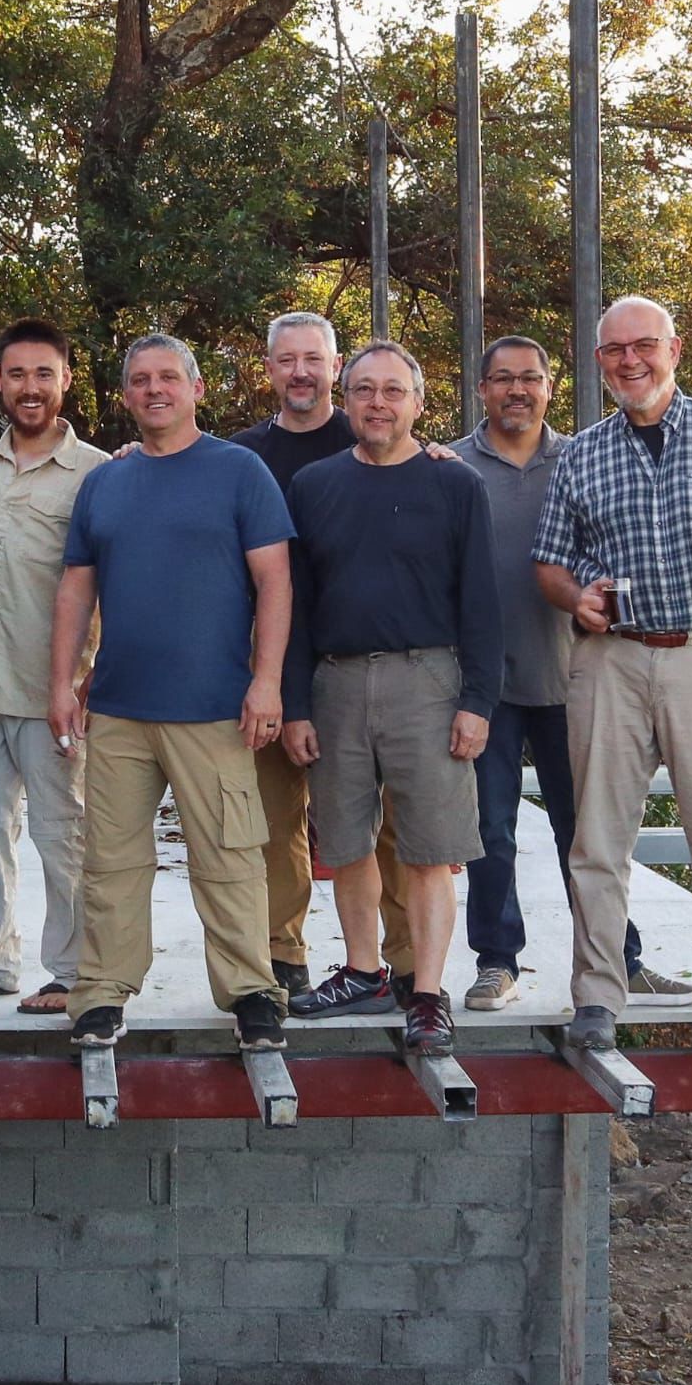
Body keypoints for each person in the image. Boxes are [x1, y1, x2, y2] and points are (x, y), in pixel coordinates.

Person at [532, 296, 692, 1052]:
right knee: (597, 842)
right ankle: (596, 997)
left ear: (673, 350)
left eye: (643, 345)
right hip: (610, 663)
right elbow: (548, 563)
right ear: (599, 363)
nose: (630, 361)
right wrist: (575, 597)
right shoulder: (581, 453)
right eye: (615, 350)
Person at [48, 334, 293, 1050]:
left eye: (168, 378)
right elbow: (75, 589)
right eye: (140, 380)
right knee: (111, 863)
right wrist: (60, 683)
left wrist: (267, 682)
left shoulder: (239, 471)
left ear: (195, 389)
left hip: (214, 709)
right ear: (126, 394)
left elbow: (275, 582)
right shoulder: (106, 482)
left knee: (229, 858)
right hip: (119, 709)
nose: (154, 389)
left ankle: (251, 991)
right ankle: (102, 992)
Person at [451, 335, 692, 1014]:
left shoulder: (587, 458)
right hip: (483, 685)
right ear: (481, 389)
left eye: (530, 378)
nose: (517, 390)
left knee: (588, 834)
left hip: (577, 677)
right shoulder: (449, 466)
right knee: (490, 833)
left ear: (550, 387)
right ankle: (496, 963)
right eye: (503, 378)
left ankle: (620, 960)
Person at [282, 340, 502, 1054]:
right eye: (364, 390)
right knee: (346, 842)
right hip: (336, 681)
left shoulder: (455, 483)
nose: (377, 403)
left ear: (417, 402)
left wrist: (478, 701)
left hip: (428, 681)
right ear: (344, 399)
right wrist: (295, 704)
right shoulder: (314, 485)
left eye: (392, 391)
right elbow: (297, 605)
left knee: (429, 849)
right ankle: (362, 971)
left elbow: (481, 600)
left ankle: (428, 994)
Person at [230, 311, 414, 999]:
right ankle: (284, 952)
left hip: (362, 661)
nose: (301, 372)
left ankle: (403, 958)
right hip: (268, 662)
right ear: (269, 369)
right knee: (275, 818)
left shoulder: (376, 437)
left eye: (314, 359)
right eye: (287, 360)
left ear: (336, 367)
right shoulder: (241, 457)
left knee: (387, 821)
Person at [0, 319, 109, 1014]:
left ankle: (73, 970)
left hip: (55, 691)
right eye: (17, 374)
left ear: (66, 380)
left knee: (62, 833)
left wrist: (91, 681)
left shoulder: (98, 474)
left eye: (44, 373)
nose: (30, 387)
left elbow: (117, 582)